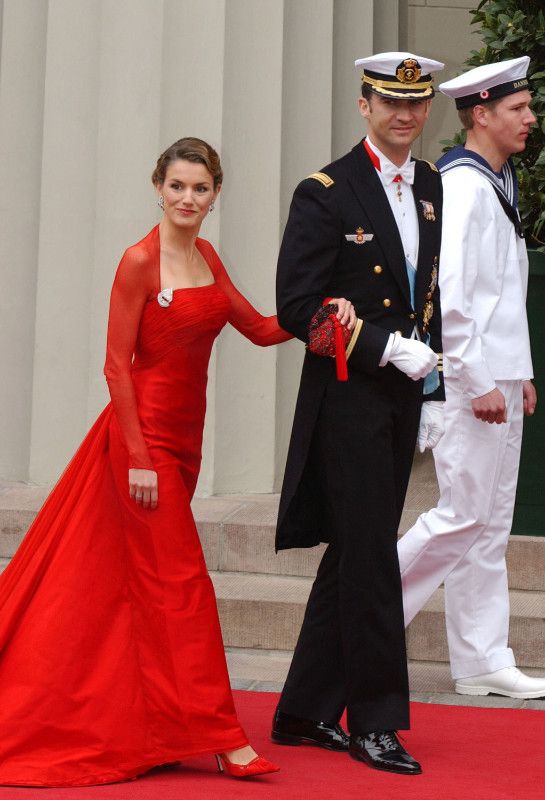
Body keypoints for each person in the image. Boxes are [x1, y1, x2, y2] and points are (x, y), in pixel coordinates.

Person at [0, 137, 289, 787]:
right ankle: (224, 738)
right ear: (158, 187)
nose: (188, 198)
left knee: (134, 593)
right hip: (144, 448)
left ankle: (152, 726)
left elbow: (261, 328)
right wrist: (136, 457)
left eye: (201, 188)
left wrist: (323, 309)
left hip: (185, 446)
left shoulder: (208, 257)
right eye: (178, 186)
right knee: (183, 587)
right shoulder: (139, 261)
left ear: (215, 196)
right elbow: (115, 364)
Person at [272, 53, 445, 776]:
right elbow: (295, 309)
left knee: (353, 553)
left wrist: (428, 389)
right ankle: (375, 720)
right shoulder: (326, 192)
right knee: (372, 557)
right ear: (362, 105)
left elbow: (427, 294)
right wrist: (379, 346)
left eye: (415, 103)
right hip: (347, 398)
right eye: (388, 102)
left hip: (402, 397)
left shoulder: (431, 185)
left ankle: (303, 711)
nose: (402, 115)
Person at [398, 57, 545, 699]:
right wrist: (480, 377)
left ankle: (483, 658)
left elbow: (503, 291)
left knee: (488, 523)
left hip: (498, 376)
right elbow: (452, 294)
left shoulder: (495, 179)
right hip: (471, 380)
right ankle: (359, 621)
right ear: (481, 114)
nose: (531, 118)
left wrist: (518, 374)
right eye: (519, 109)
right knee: (459, 514)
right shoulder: (462, 184)